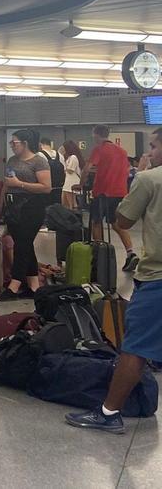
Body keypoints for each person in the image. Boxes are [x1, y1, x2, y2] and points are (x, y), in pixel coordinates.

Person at [65, 127, 162, 434]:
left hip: (158, 276)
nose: (150, 152)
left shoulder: (150, 179)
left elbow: (122, 220)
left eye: (154, 146)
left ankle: (109, 412)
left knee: (135, 347)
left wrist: (143, 174)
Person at [0, 129, 52, 300]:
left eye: (14, 143)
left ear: (25, 143)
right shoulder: (12, 161)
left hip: (31, 208)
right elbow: (7, 184)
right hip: (13, 208)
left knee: (22, 245)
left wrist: (20, 184)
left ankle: (15, 285)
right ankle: (34, 286)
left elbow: (46, 187)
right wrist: (0, 207)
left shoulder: (39, 161)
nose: (12, 146)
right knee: (25, 245)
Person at [81, 125, 137, 272]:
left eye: (93, 135)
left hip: (102, 192)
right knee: (116, 223)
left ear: (97, 135)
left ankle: (99, 254)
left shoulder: (99, 149)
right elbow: (122, 169)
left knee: (96, 222)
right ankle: (131, 252)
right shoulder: (122, 151)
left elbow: (87, 168)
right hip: (119, 192)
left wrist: (81, 183)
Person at [61, 140, 84, 211]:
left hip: (72, 181)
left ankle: (74, 215)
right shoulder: (70, 157)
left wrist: (64, 166)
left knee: (71, 202)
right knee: (65, 201)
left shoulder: (73, 157)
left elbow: (70, 170)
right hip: (68, 180)